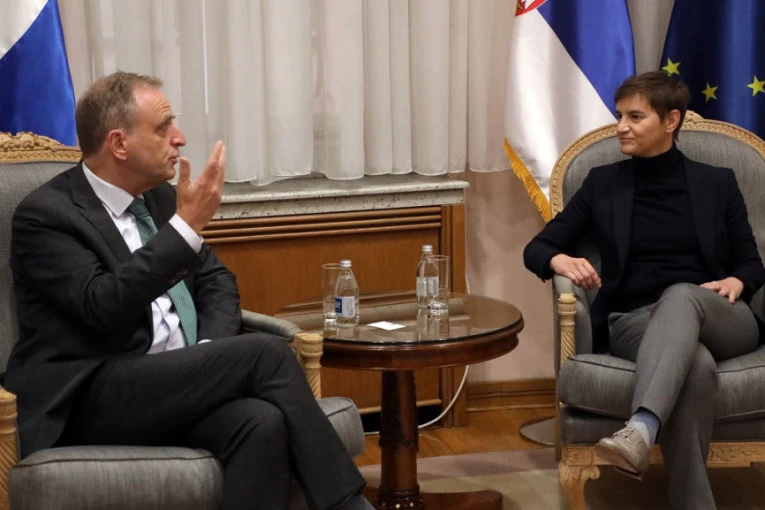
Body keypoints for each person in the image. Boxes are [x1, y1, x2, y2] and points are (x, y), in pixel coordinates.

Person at [5, 71, 373, 510]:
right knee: (267, 353)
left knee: (261, 422)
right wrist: (184, 229)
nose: (179, 139)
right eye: (163, 128)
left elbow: (217, 281)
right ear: (119, 144)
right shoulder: (47, 215)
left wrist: (209, 355)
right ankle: (350, 506)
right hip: (92, 393)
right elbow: (103, 307)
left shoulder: (159, 199)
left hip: (172, 384)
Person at [524, 71, 765, 509]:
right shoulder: (602, 184)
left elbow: (751, 263)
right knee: (695, 366)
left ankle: (641, 425)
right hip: (636, 322)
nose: (621, 127)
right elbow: (538, 247)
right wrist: (560, 260)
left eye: (635, 117)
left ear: (670, 121)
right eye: (620, 116)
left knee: (682, 294)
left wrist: (737, 281)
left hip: (719, 314)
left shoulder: (718, 183)